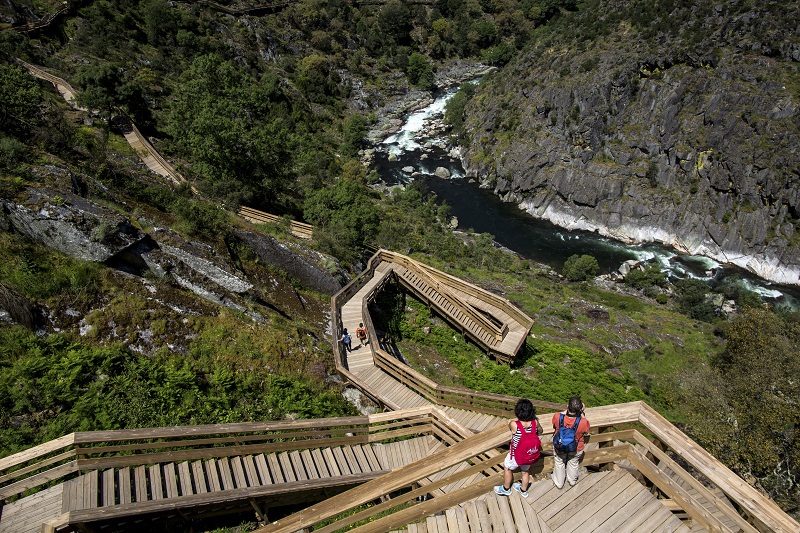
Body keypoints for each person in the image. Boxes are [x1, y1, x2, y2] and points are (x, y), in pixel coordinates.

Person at [494, 398, 542, 498]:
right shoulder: (534, 423)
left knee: (507, 468)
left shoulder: (514, 424)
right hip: (529, 454)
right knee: (525, 472)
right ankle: (523, 490)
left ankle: (506, 488)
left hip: (516, 454)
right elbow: (540, 431)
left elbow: (510, 428)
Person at [551, 396, 590, 489]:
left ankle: (559, 482)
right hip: (576, 446)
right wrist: (582, 412)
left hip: (559, 445)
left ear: (567, 406)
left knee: (559, 462)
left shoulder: (557, 416)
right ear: (580, 408)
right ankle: (572, 481)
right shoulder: (583, 421)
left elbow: (555, 424)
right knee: (573, 462)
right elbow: (586, 429)